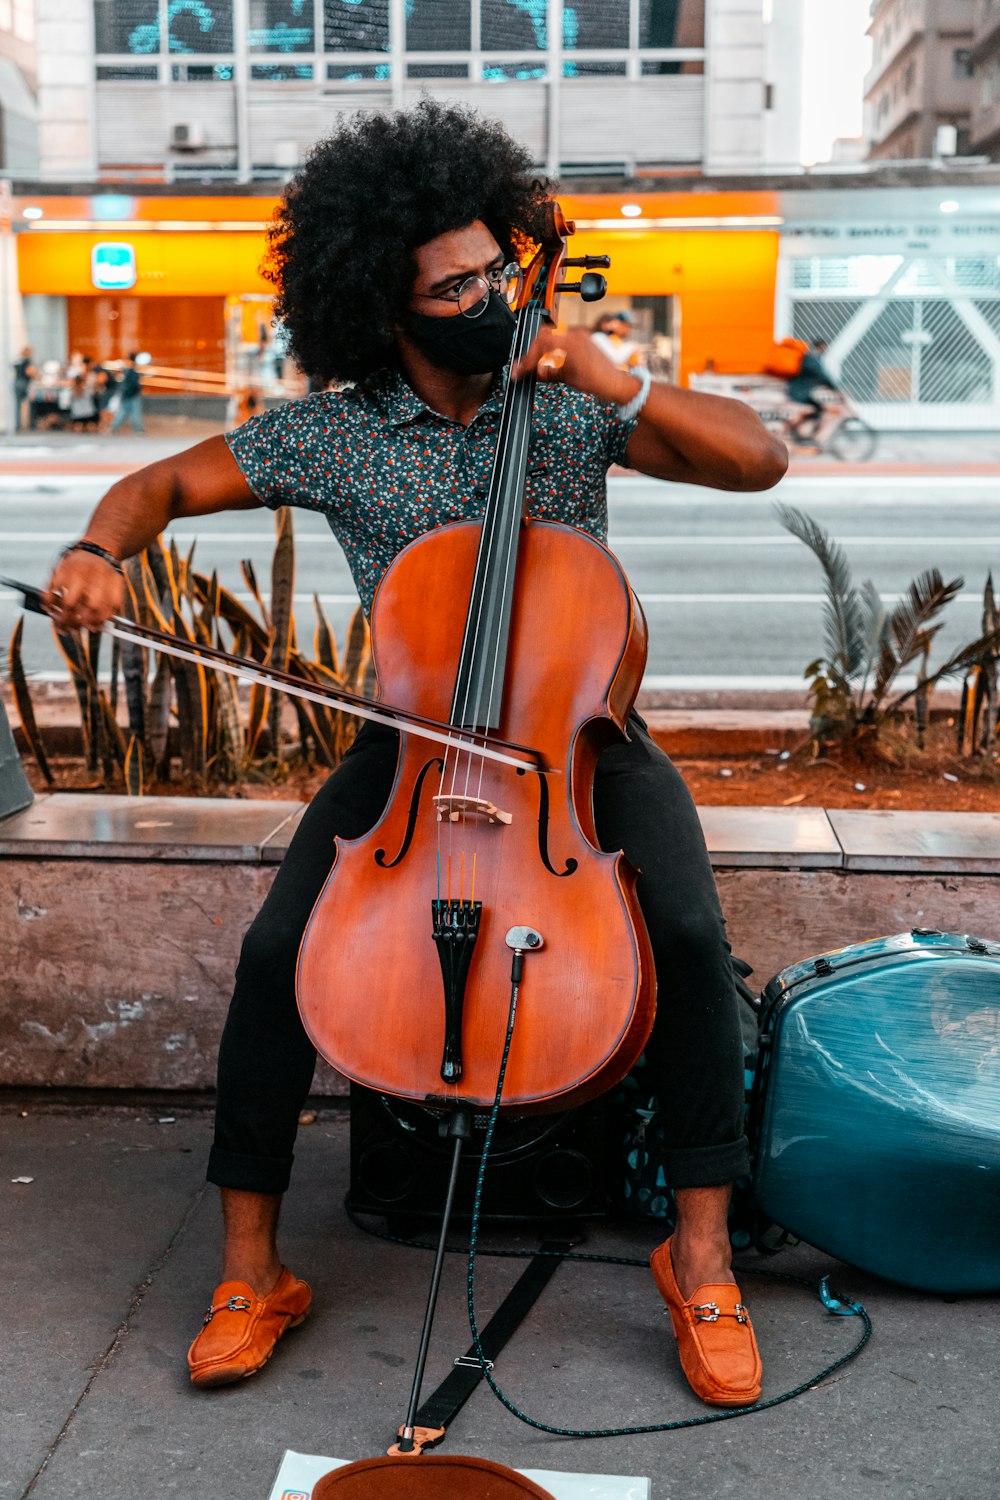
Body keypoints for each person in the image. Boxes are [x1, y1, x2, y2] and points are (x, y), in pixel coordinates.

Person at [45, 101, 787, 1409]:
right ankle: (251, 1267)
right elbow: (155, 487)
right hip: (412, 756)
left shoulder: (566, 408)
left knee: (678, 923)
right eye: (458, 283)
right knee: (279, 949)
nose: (494, 293)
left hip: (577, 749)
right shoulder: (332, 434)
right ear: (385, 299)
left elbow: (759, 460)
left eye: (502, 265)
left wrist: (615, 380)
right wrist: (100, 551)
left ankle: (703, 1253)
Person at [786, 338, 838, 442]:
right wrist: (835, 388)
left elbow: (818, 376)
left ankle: (799, 431)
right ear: (821, 347)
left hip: (802, 391)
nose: (825, 349)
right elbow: (822, 375)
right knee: (818, 409)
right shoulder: (811, 358)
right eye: (824, 347)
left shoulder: (811, 357)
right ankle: (795, 429)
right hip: (799, 392)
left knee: (818, 409)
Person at [110, 352, 144, 433]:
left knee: (123, 412)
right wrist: (139, 389)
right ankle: (138, 430)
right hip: (132, 395)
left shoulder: (127, 367)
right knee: (135, 412)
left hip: (126, 394)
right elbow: (135, 383)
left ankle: (113, 426)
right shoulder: (133, 368)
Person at [12, 346, 34, 432]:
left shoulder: (18, 360)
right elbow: (29, 372)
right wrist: (35, 375)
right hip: (24, 383)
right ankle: (31, 424)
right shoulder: (27, 361)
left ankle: (18, 425)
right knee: (30, 403)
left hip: (16, 382)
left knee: (17, 405)